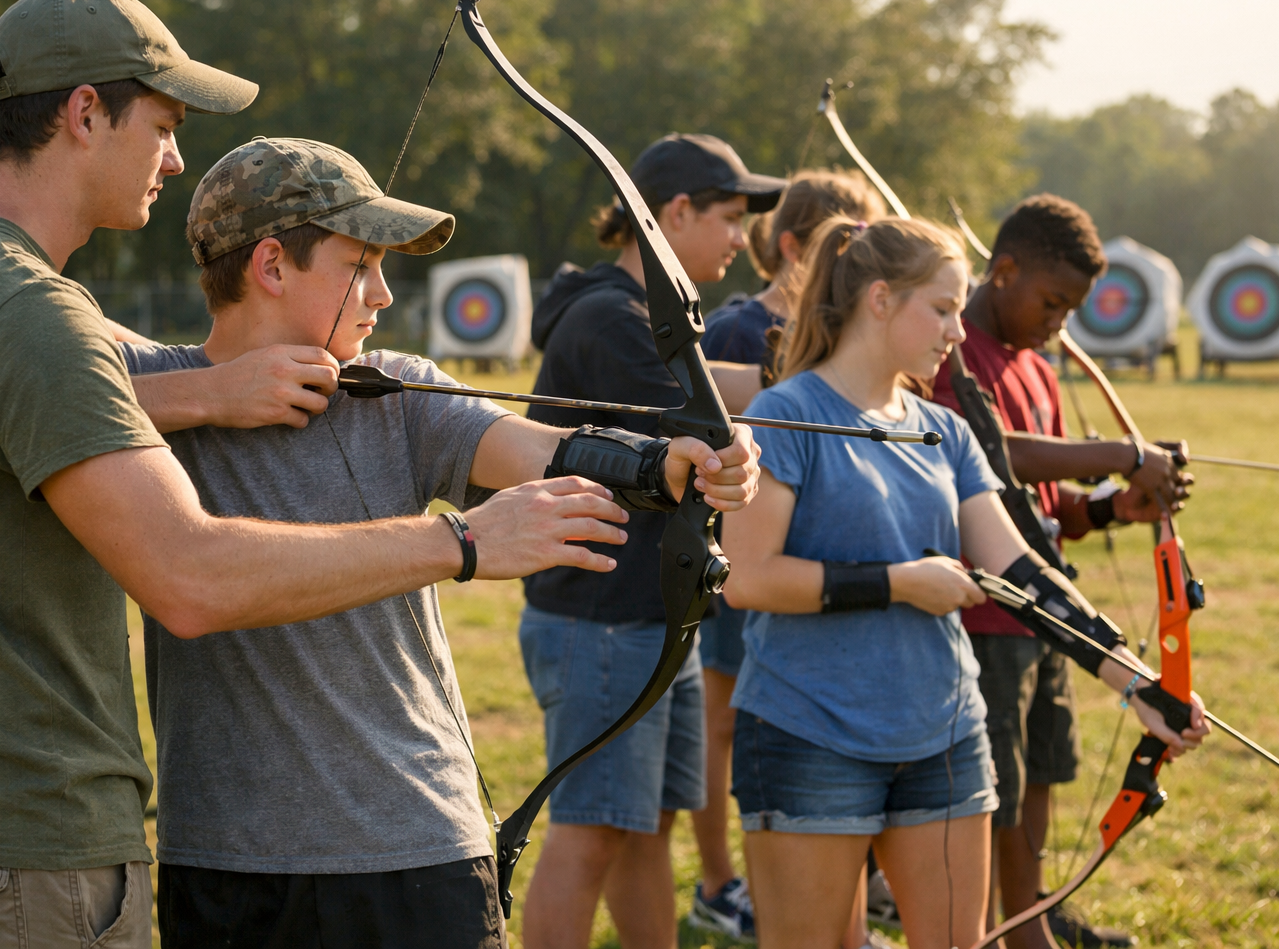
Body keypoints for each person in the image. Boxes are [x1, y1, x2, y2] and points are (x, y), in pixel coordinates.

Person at [0, 0, 740, 949]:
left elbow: (547, 448)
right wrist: (463, 540)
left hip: (389, 847)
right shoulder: (66, 332)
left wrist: (668, 461)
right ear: (85, 113)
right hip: (123, 855)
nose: (174, 155)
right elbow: (175, 554)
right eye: (163, 123)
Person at [110, 136, 761, 948]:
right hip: (229, 862)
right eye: (361, 265)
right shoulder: (134, 387)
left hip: (418, 843)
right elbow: (14, 388)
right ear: (271, 266)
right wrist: (208, 394)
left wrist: (667, 464)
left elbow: (540, 448)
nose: (383, 293)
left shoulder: (393, 388)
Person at [719, 216, 1209, 949]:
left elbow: (1020, 570)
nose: (956, 330)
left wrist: (1136, 680)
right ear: (879, 300)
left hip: (943, 734)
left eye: (959, 309)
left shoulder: (944, 430)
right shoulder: (787, 414)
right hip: (807, 735)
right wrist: (897, 583)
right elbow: (749, 580)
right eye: (942, 309)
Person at [518, 133, 785, 949]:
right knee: (592, 829)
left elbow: (723, 385)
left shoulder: (642, 319)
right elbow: (707, 413)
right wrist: (816, 361)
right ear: (674, 212)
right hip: (601, 617)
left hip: (646, 611)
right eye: (731, 218)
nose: (743, 241)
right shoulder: (612, 320)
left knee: (647, 826)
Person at [930, 194, 1193, 949]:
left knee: (1041, 772)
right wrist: (1119, 455)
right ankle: (990, 931)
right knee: (998, 790)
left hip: (1048, 611)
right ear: (1003, 270)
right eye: (1052, 302)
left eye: (1072, 310)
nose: (1059, 324)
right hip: (988, 609)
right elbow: (986, 453)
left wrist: (1116, 507)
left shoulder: (1037, 369)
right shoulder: (951, 354)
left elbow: (1045, 509)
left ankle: (1029, 922)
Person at [689, 168, 885, 946]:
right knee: (729, 723)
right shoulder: (740, 330)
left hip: (818, 570)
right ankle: (720, 882)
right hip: (749, 554)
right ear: (797, 247)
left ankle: (841, 898)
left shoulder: (851, 331)